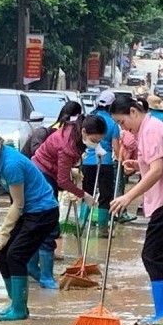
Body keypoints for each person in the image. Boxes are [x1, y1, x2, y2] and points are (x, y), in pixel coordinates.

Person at [107, 94, 163, 325]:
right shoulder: (148, 129)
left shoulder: (151, 129)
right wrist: (138, 165)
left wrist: (128, 196)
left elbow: (157, 170)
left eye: (122, 123)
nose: (123, 129)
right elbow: (155, 166)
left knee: (152, 257)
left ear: (133, 112)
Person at [0, 124, 59, 321]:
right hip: (28, 211)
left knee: (16, 255)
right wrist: (3, 237)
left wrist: (3, 233)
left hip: (42, 212)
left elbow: (17, 204)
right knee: (2, 254)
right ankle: (16, 303)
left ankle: (19, 309)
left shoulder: (11, 164)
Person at [32, 112, 105, 288]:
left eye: (98, 141)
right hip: (42, 175)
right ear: (85, 132)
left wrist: (74, 172)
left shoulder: (76, 132)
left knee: (42, 223)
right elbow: (62, 181)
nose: (95, 144)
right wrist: (83, 194)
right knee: (49, 223)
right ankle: (46, 276)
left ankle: (34, 268)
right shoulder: (67, 145)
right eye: (94, 140)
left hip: (49, 171)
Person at [84, 90, 120, 237]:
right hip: (105, 163)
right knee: (105, 195)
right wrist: (119, 160)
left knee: (86, 193)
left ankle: (81, 224)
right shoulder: (113, 124)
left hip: (87, 162)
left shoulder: (89, 119)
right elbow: (116, 148)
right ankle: (103, 229)